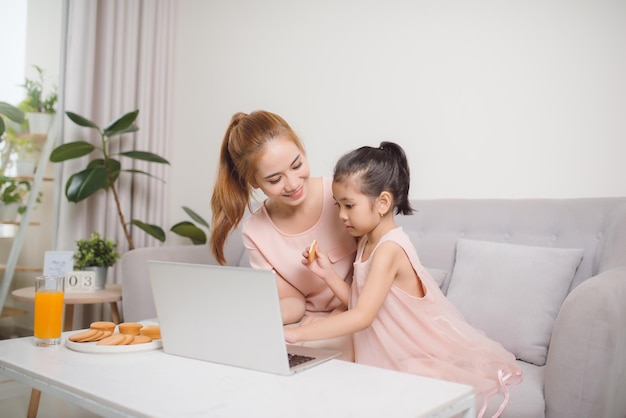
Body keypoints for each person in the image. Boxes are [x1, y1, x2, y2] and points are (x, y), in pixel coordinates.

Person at [284, 141, 523, 417]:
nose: (341, 215)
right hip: (379, 343)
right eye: (338, 205)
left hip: (409, 350)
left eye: (349, 205)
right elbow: (357, 300)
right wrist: (326, 274)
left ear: (383, 202)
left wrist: (297, 333)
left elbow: (362, 316)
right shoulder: (365, 241)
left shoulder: (389, 248)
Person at [210, 110, 357, 358]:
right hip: (306, 325)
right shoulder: (256, 231)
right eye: (275, 179)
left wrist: (336, 315)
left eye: (297, 165)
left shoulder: (341, 194)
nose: (292, 183)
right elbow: (293, 303)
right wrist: (250, 317)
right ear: (254, 181)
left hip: (357, 312)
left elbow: (372, 273)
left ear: (302, 150)